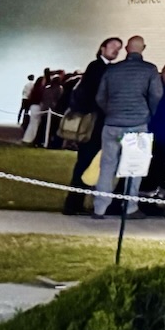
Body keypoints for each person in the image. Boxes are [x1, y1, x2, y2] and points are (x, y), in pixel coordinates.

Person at [92, 35, 162, 217]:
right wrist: (149, 113)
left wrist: (110, 111)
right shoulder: (150, 70)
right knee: (134, 167)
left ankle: (100, 207)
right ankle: (130, 207)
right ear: (143, 48)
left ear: (126, 49)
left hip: (112, 123)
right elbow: (156, 95)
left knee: (107, 166)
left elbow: (100, 96)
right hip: (137, 124)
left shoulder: (112, 70)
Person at [61, 37, 122, 214]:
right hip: (95, 124)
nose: (116, 50)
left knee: (88, 162)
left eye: (118, 48)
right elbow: (96, 95)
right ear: (102, 48)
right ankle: (74, 203)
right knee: (86, 162)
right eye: (113, 46)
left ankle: (76, 202)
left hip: (96, 123)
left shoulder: (100, 67)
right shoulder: (97, 67)